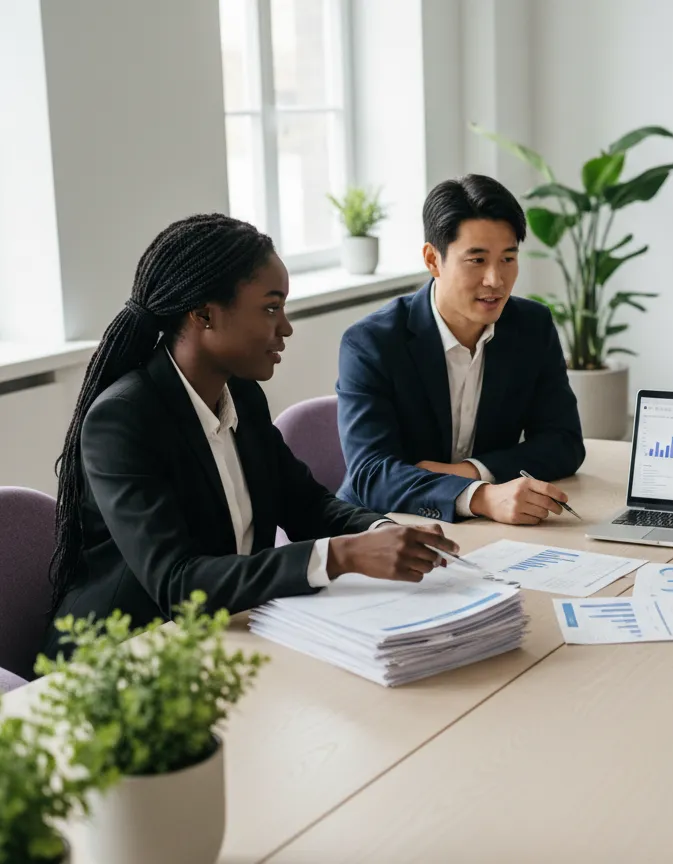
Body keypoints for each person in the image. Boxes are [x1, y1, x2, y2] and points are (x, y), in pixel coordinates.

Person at [44, 214, 458, 658]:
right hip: (125, 659)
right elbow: (178, 582)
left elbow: (305, 504)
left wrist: (382, 530)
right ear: (204, 313)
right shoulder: (123, 420)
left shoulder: (241, 394)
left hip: (229, 633)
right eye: (270, 308)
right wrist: (343, 556)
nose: (286, 327)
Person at [336, 174, 585, 525]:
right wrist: (481, 497)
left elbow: (564, 443)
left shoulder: (531, 327)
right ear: (433, 260)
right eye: (477, 260)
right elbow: (371, 473)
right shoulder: (372, 343)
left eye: (508, 259)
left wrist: (470, 472)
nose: (495, 281)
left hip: (484, 529)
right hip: (385, 527)